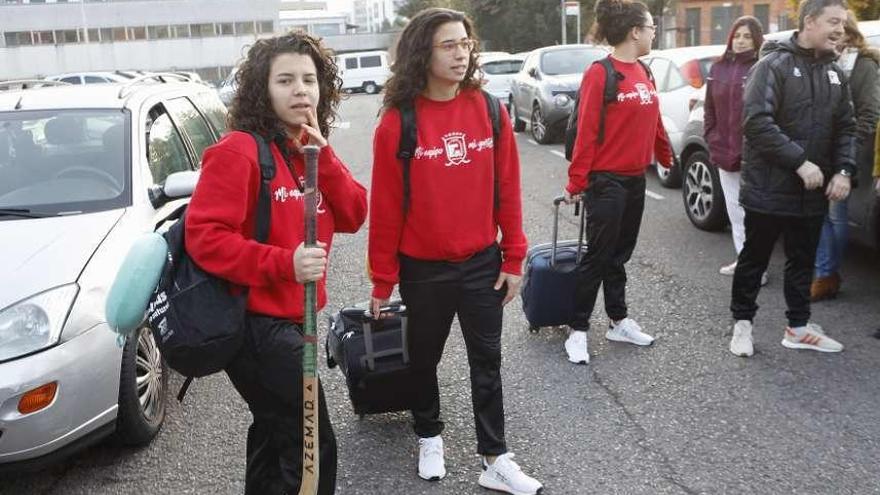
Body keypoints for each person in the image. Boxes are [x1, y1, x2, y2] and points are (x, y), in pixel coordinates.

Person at [367, 8, 542, 495]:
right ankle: (428, 434)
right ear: (423, 52)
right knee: (423, 359)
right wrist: (382, 281)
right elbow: (385, 209)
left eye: (465, 43)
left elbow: (508, 187)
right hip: (424, 270)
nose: (461, 52)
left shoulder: (488, 108)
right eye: (448, 44)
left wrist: (514, 258)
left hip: (482, 263)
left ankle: (495, 456)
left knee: (487, 360)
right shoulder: (396, 123)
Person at [184, 32, 368, 494]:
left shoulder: (306, 149)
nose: (300, 90)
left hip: (292, 322)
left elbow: (353, 214)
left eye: (309, 79)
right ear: (262, 90)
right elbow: (204, 239)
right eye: (285, 80)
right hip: (256, 326)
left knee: (275, 432)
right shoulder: (239, 151)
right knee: (313, 446)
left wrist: (322, 155)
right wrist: (284, 263)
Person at [729, 0, 856, 358]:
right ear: (809, 22)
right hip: (769, 190)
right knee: (754, 260)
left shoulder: (835, 72)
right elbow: (756, 123)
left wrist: (845, 170)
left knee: (802, 261)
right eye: (833, 22)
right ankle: (742, 325)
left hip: (811, 193)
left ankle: (797, 327)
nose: (839, 31)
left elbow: (847, 126)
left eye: (843, 24)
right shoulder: (772, 65)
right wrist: (801, 162)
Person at [562, 0, 673, 365]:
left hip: (635, 178)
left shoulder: (644, 70)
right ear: (634, 31)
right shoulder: (601, 72)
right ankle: (577, 329)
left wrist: (665, 154)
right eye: (650, 26)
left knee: (620, 255)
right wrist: (577, 181)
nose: (654, 32)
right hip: (605, 180)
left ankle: (618, 320)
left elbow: (653, 119)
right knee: (598, 255)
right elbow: (587, 132)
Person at [811, 10, 880, 301]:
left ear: (849, 33)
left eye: (840, 30)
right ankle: (824, 270)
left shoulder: (862, 65)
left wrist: (849, 146)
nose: (836, 36)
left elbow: (869, 112)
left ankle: (827, 274)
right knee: (821, 215)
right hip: (819, 152)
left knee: (836, 214)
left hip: (848, 154)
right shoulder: (825, 60)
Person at [704, 16, 768, 286]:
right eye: (737, 36)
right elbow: (709, 108)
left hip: (752, 155)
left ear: (756, 41)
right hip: (723, 152)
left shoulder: (761, 68)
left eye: (747, 37)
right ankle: (744, 258)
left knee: (754, 213)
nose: (741, 41)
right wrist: (711, 136)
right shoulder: (717, 67)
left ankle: (757, 267)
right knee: (734, 211)